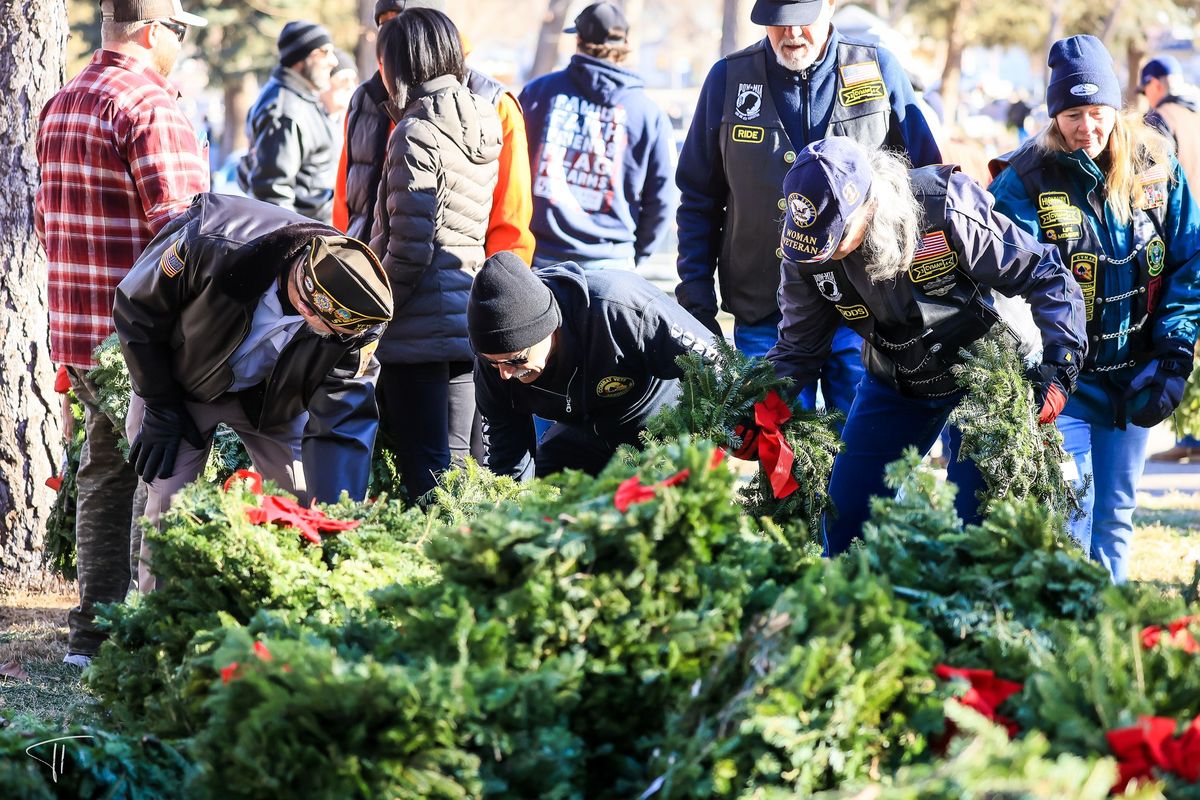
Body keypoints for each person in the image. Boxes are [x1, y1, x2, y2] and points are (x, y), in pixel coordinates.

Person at [766, 137, 1086, 556]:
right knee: (845, 512)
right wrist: (764, 402)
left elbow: (1044, 273)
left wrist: (1060, 368)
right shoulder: (809, 251)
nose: (825, 253)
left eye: (836, 236)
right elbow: (798, 348)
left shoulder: (942, 207)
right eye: (815, 243)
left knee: (976, 521)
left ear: (867, 204)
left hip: (987, 375)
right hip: (898, 377)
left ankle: (970, 617)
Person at [35, 0, 209, 666]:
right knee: (169, 476)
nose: (183, 44)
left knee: (104, 474)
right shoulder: (150, 106)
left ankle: (91, 637)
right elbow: (187, 239)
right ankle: (149, 635)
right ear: (153, 30)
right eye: (182, 30)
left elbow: (48, 220)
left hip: (79, 329)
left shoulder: (62, 101)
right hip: (144, 337)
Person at [990, 35, 1200, 582]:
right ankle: (1066, 637)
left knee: (1116, 516)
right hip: (1067, 384)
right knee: (1071, 519)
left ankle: (1105, 645)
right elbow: (1008, 287)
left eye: (1098, 111)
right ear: (1054, 113)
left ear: (1117, 108)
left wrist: (1174, 355)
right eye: (1073, 113)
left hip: (1137, 377)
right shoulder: (1025, 180)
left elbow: (1188, 262)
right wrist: (1043, 370)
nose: (1087, 126)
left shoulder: (1156, 163)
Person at [675, 0, 941, 417]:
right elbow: (698, 199)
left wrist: (927, 289)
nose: (792, 33)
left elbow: (927, 183)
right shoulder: (728, 79)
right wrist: (696, 299)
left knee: (859, 454)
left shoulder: (877, 69)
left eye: (803, 20)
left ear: (831, 6)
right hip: (763, 310)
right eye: (778, 23)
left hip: (864, 313)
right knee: (780, 458)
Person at [114, 193, 392, 591]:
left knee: (306, 505)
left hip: (274, 402)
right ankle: (161, 627)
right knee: (169, 508)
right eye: (304, 302)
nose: (307, 316)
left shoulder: (356, 331)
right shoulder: (214, 237)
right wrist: (159, 404)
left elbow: (343, 421)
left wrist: (335, 521)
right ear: (299, 262)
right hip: (182, 381)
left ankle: (291, 616)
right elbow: (136, 309)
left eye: (320, 322)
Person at [368, 9, 502, 502]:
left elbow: (407, 253)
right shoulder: (485, 118)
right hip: (468, 318)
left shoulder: (416, 132)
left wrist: (373, 316)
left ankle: (426, 571)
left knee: (423, 472)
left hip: (417, 330)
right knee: (462, 466)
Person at [469, 251, 719, 479]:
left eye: (516, 359)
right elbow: (506, 460)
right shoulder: (493, 363)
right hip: (584, 434)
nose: (505, 373)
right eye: (494, 363)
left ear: (549, 329)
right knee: (544, 497)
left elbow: (719, 366)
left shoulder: (619, 306)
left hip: (659, 426)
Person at [332, 0, 534, 265]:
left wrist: (495, 297)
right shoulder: (365, 99)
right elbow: (346, 207)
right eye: (385, 25)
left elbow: (511, 228)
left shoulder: (493, 104)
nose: (394, 37)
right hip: (365, 283)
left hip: (458, 290)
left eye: (404, 23)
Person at [518, 1, 675, 270]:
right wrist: (635, 254)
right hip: (613, 262)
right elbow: (662, 197)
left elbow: (511, 173)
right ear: (625, 44)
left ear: (578, 39)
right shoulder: (648, 112)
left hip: (543, 259)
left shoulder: (538, 94)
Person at [1139, 55, 1200, 463]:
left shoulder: (1160, 118)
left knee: (1181, 340)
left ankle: (1190, 434)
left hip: (1183, 238)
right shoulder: (1196, 116)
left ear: (1155, 85)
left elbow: (1153, 181)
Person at [238, 21, 339, 222]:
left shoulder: (300, 99)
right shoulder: (286, 110)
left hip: (319, 236)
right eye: (324, 52)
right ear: (301, 57)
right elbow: (272, 194)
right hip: (308, 244)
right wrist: (293, 249)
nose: (333, 61)